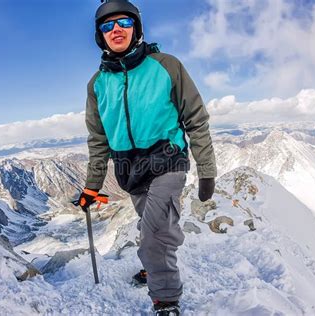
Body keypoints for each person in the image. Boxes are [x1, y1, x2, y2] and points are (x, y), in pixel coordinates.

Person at [77, 0, 216, 314]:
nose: (116, 30)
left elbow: (196, 117)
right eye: (107, 25)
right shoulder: (97, 85)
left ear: (136, 28)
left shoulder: (166, 66)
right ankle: (156, 263)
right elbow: (98, 141)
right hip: (130, 171)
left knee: (154, 232)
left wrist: (207, 169)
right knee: (155, 227)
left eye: (124, 23)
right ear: (99, 34)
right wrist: (91, 186)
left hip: (168, 160)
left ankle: (166, 299)